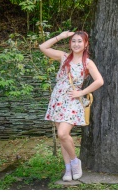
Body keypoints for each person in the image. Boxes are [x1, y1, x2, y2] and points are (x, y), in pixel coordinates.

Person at [40, 31, 104, 182]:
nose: (76, 44)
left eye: (80, 41)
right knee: (62, 137)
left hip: (72, 100)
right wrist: (60, 36)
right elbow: (43, 47)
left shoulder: (87, 62)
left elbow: (99, 81)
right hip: (57, 99)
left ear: (86, 44)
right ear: (70, 43)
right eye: (73, 41)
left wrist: (81, 92)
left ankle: (75, 162)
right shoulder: (63, 57)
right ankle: (68, 168)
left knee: (63, 133)